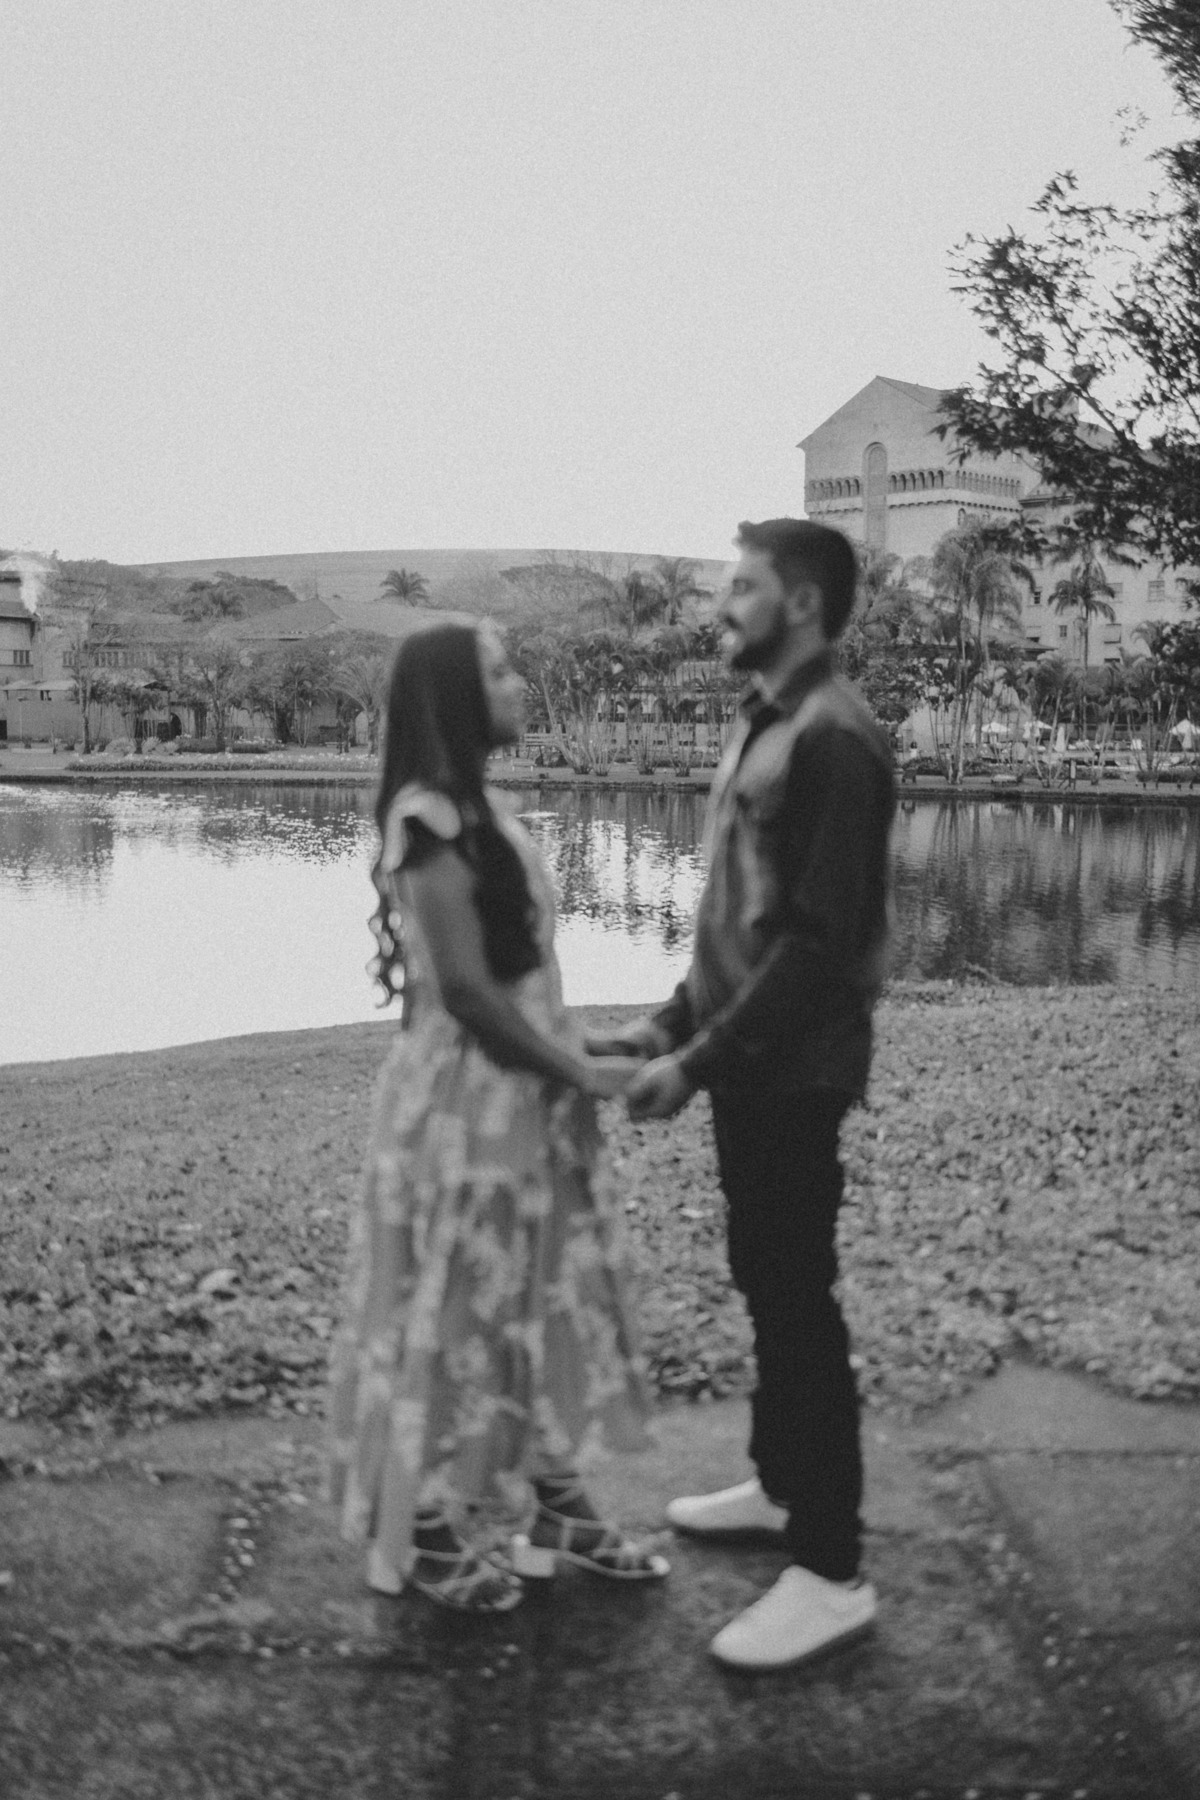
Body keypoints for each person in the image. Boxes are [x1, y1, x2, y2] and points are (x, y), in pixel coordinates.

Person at [327, 620, 668, 1612]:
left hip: (525, 1098)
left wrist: (588, 1046)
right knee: (459, 1311)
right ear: (455, 700)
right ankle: (427, 1529)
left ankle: (559, 1511)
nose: (520, 685)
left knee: (538, 1298)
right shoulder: (427, 820)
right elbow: (468, 998)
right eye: (501, 672)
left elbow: (516, 983)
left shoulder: (485, 813)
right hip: (466, 1112)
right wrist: (582, 1072)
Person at [609, 518, 895, 1670]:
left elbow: (818, 944)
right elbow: (739, 914)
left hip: (794, 1068)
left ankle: (831, 1571)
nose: (722, 607)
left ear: (803, 604)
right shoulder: (765, 720)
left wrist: (694, 1064)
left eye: (742, 588)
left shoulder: (836, 738)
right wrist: (670, 1023)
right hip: (748, 1060)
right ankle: (782, 1488)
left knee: (797, 1300)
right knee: (767, 1281)